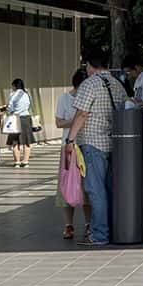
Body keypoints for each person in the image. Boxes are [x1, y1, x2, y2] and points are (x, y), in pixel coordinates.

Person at [67, 46, 127, 246]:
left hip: (92, 143)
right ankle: (111, 229)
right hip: (113, 143)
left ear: (89, 65)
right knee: (109, 189)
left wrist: (70, 140)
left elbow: (82, 114)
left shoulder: (89, 84)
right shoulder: (117, 84)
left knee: (95, 190)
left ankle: (99, 234)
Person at [54, 68, 91, 241]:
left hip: (86, 145)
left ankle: (89, 223)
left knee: (87, 188)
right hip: (68, 147)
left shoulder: (91, 97)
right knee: (67, 186)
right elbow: (59, 122)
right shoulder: (64, 98)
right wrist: (77, 121)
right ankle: (69, 225)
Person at [6, 78, 34, 167]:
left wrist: (8, 110)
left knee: (15, 141)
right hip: (26, 118)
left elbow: (10, 108)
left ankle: (17, 162)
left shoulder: (12, 95)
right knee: (27, 141)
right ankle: (25, 162)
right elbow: (30, 106)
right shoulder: (27, 94)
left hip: (15, 119)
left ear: (14, 85)